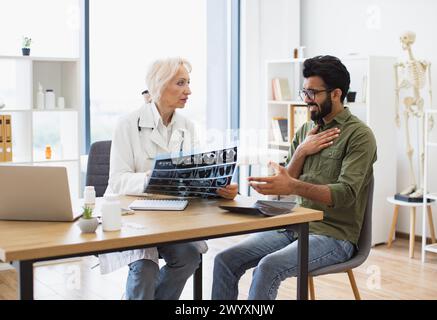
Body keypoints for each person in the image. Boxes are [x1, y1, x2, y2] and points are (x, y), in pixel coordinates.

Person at [212, 55, 377, 300]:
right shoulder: (305, 131)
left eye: (313, 93)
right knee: (225, 259)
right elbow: (286, 181)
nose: (307, 100)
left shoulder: (359, 135)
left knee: (268, 266)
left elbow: (345, 194)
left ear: (336, 94)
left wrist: (293, 185)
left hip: (334, 235)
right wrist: (301, 151)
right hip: (293, 225)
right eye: (305, 92)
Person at [99, 57, 238, 300]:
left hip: (171, 217)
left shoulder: (187, 126)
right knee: (145, 268)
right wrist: (152, 178)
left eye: (189, 83)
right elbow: (117, 181)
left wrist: (217, 187)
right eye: (181, 83)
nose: (189, 91)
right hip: (134, 218)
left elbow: (194, 177)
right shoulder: (127, 124)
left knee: (188, 256)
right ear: (160, 85)